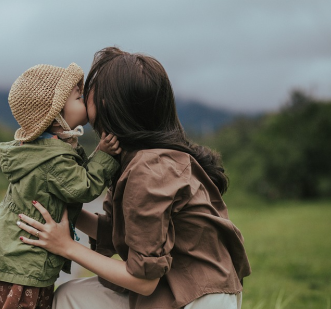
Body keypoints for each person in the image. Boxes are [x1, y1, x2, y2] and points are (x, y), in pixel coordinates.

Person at [16, 47, 252, 309]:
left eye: (87, 94)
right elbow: (124, 232)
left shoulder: (149, 169)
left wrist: (67, 246)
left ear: (107, 103)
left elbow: (143, 281)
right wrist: (60, 203)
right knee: (69, 296)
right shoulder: (137, 157)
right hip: (179, 286)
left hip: (198, 298)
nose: (83, 99)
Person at [0, 62, 122, 309]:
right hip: (24, 262)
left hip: (18, 256)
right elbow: (83, 186)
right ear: (56, 118)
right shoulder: (53, 159)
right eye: (78, 97)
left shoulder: (45, 149)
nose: (85, 101)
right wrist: (104, 155)